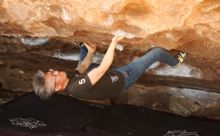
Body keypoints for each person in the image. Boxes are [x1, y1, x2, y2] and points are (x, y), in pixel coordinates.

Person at [33, 35, 187, 100]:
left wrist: (92, 51)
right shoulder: (76, 88)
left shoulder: (69, 79)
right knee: (157, 52)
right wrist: (114, 42)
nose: (56, 71)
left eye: (51, 71)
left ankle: (84, 48)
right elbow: (104, 66)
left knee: (84, 61)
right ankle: (175, 63)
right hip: (123, 78)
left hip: (107, 76)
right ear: (58, 87)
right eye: (53, 76)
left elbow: (84, 66)